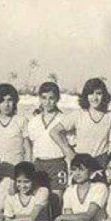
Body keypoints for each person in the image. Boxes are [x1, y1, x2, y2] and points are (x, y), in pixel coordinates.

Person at [50, 78, 111, 167]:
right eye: (91, 93)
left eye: (98, 93)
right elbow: (54, 132)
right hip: (81, 163)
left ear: (104, 95)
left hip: (101, 163)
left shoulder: (110, 116)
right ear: (86, 96)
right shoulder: (78, 114)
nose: (95, 98)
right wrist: (69, 152)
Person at [27, 82, 67, 212]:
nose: (48, 102)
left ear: (57, 99)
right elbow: (31, 144)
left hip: (57, 163)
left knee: (56, 199)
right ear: (39, 98)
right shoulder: (34, 121)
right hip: (39, 163)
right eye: (44, 98)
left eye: (51, 98)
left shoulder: (64, 119)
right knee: (39, 199)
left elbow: (70, 144)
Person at [0, 83, 30, 177]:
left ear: (15, 101)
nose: (6, 105)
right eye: (2, 101)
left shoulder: (22, 120)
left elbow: (27, 148)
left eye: (10, 100)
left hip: (16, 169)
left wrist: (27, 168)